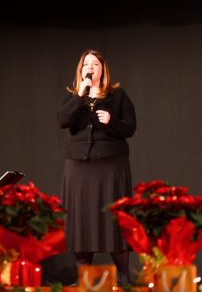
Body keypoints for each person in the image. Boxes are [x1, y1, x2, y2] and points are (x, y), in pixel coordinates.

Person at [57, 49, 136, 284]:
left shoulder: (118, 95)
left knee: (114, 220)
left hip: (111, 167)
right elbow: (63, 120)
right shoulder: (73, 96)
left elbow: (130, 128)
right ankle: (85, 278)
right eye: (86, 64)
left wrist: (112, 122)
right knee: (81, 221)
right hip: (79, 169)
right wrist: (80, 94)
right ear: (81, 71)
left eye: (95, 64)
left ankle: (122, 276)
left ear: (103, 70)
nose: (90, 67)